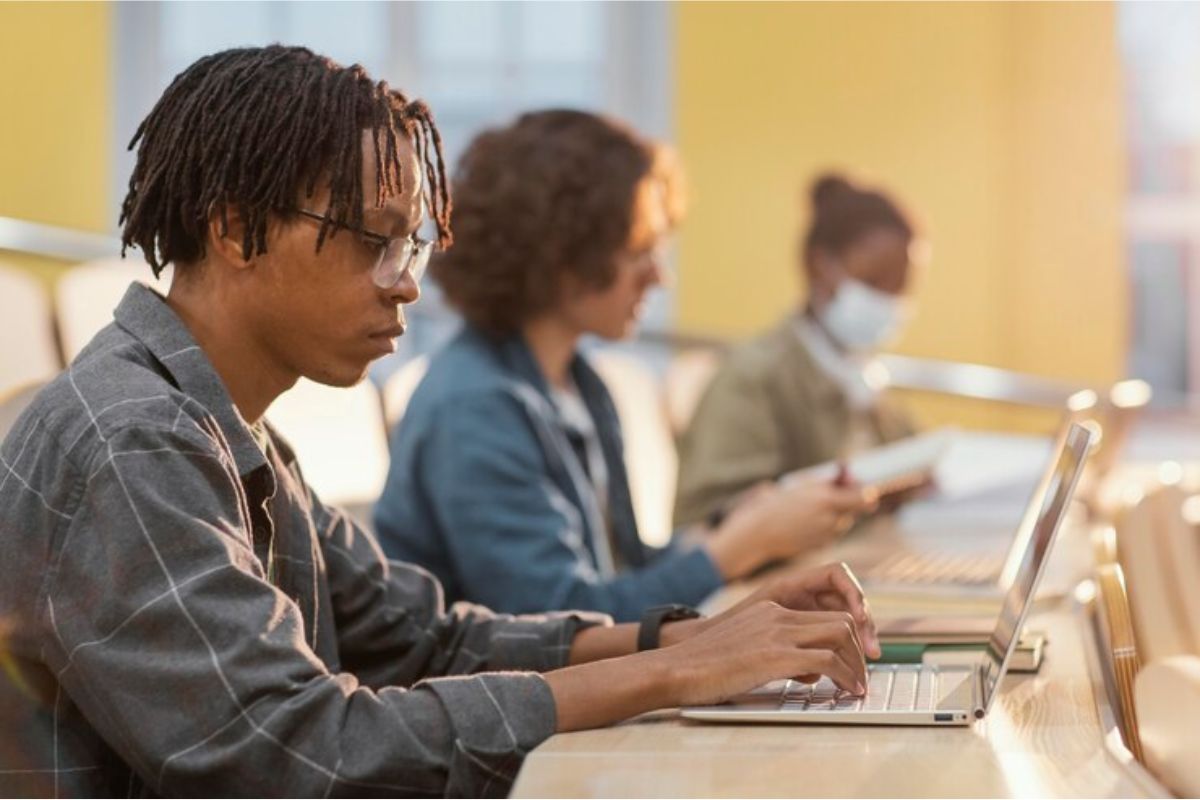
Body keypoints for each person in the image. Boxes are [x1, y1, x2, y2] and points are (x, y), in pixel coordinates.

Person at [0, 47, 881, 797]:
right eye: (371, 241)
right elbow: (299, 752)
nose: (407, 282)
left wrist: (699, 636)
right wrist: (674, 671)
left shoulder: (227, 425)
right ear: (235, 230)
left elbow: (427, 639)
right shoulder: (134, 441)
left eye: (411, 246)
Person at [373, 110, 872, 623]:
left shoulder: (581, 384)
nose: (660, 276)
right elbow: (563, 623)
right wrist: (731, 552)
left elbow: (618, 573)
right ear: (561, 258)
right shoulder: (475, 407)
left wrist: (732, 530)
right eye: (640, 251)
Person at [674, 174, 921, 528]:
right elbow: (706, 524)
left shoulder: (864, 377)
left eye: (901, 286)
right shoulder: (753, 378)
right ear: (818, 265)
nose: (888, 301)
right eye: (873, 281)